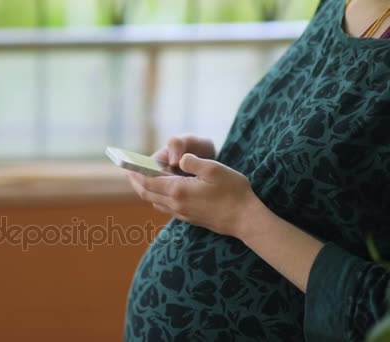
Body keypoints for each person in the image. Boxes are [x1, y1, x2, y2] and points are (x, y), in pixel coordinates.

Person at [123, 0, 390, 340]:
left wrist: (243, 217)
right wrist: (227, 163)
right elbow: (331, 191)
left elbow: (382, 312)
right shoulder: (339, 6)